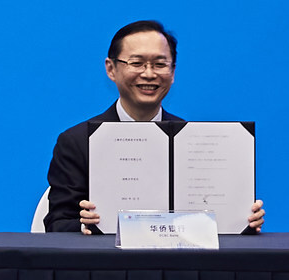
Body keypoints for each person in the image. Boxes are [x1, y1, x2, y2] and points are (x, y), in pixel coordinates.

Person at [42, 20, 263, 234]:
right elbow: (57, 224)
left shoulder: (195, 140)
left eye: (160, 64)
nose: (149, 74)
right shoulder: (79, 141)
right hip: (110, 268)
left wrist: (242, 221)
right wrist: (86, 226)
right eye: (137, 63)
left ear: (173, 71)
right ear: (111, 69)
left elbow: (213, 221)